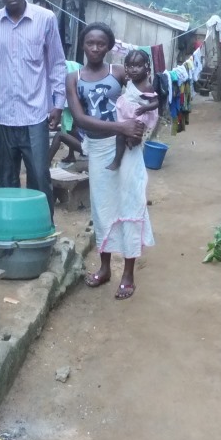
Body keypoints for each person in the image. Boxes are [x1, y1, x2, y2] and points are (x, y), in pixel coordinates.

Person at [66, 22, 153, 300]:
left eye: (101, 44)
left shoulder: (119, 73)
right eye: (90, 43)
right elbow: (79, 119)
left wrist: (139, 130)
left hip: (126, 148)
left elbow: (143, 98)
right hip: (98, 149)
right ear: (83, 45)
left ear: (109, 47)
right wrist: (122, 128)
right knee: (102, 209)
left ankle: (128, 273)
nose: (95, 48)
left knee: (130, 204)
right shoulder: (73, 78)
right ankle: (104, 268)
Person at [0, 0, 66, 217]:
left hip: (35, 116)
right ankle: (12, 231)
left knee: (39, 177)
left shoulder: (45, 19)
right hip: (2, 116)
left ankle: (43, 230)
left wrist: (58, 104)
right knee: (6, 180)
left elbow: (57, 63)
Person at [107, 49, 160, 170]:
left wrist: (145, 107)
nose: (134, 69)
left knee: (134, 136)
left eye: (139, 66)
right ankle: (117, 160)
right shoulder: (130, 81)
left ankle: (132, 142)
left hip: (139, 115)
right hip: (127, 114)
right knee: (120, 135)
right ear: (126, 68)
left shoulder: (147, 86)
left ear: (146, 68)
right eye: (130, 66)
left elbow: (156, 103)